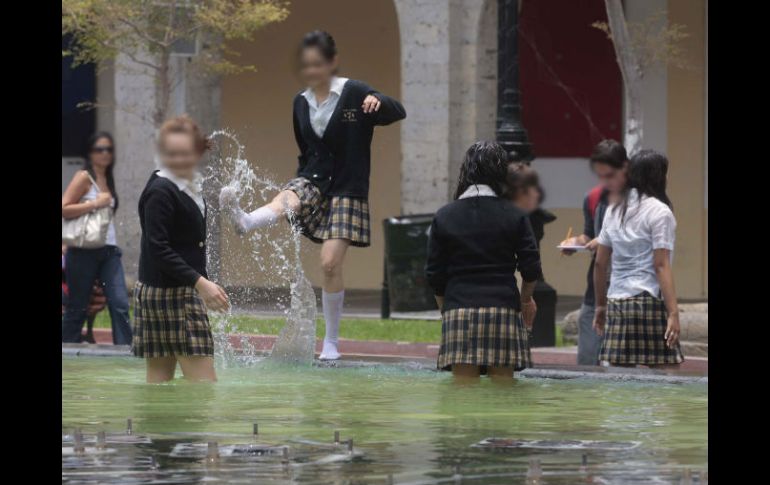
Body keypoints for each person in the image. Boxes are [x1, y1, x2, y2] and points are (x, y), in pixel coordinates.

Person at [219, 30, 406, 361]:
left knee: (330, 263)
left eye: (318, 64)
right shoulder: (300, 103)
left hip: (348, 188)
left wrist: (378, 100)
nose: (312, 71)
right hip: (314, 177)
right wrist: (301, 183)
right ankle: (246, 221)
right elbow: (306, 151)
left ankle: (331, 342)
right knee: (289, 197)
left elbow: (397, 111)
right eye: (307, 65)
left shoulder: (355, 92)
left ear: (332, 63)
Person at [426, 141, 542, 380]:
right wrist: (525, 300)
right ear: (501, 174)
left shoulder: (445, 215)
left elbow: (434, 274)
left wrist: (446, 309)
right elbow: (531, 267)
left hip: (458, 308)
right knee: (503, 395)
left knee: (462, 397)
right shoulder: (514, 215)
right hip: (503, 308)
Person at [132, 115, 230, 383]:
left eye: (185, 153)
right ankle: (190, 426)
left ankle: (153, 426)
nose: (178, 160)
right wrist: (202, 283)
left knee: (159, 381)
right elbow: (157, 248)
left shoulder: (186, 184)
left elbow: (187, 244)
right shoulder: (161, 191)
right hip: (171, 294)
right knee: (204, 385)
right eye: (171, 154)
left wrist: (201, 280)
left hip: (168, 290)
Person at [592, 149, 683, 368]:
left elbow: (600, 263)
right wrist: (673, 313)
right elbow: (661, 265)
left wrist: (601, 307)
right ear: (658, 177)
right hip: (648, 301)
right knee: (667, 376)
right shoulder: (660, 212)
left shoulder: (614, 209)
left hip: (617, 303)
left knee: (620, 388)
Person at [560, 140, 628, 365]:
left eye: (610, 175)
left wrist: (606, 240)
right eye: (600, 176)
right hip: (596, 287)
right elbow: (589, 234)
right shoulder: (593, 198)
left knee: (623, 365)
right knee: (587, 359)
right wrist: (576, 241)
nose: (605, 182)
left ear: (625, 167)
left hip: (627, 288)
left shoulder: (638, 199)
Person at [62, 132, 132, 345]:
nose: (105, 154)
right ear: (90, 153)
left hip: (109, 250)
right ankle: (67, 352)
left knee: (120, 303)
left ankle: (125, 354)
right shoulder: (84, 176)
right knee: (78, 306)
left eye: (109, 149)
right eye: (100, 149)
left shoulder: (108, 178)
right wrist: (95, 203)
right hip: (83, 250)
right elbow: (64, 208)